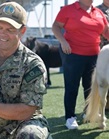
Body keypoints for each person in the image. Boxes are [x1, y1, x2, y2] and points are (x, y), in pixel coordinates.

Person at [0, 1, 52, 139]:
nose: (2, 34)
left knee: (31, 135)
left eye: (10, 30)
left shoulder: (33, 65)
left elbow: (27, 111)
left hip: (23, 125)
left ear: (22, 31)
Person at [52, 0, 109, 130]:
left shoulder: (98, 12)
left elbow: (106, 31)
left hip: (95, 55)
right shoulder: (68, 10)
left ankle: (88, 113)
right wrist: (63, 41)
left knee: (90, 86)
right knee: (72, 86)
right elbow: (55, 27)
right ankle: (70, 117)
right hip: (72, 53)